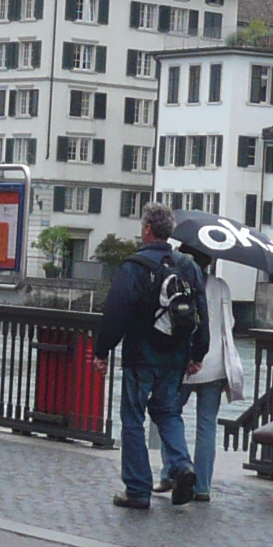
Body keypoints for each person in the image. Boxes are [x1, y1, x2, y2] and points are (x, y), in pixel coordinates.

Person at [92, 203, 208, 509]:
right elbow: (201, 314)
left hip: (140, 355)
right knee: (169, 413)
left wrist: (102, 351)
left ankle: (138, 490)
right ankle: (181, 466)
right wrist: (197, 353)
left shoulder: (136, 266)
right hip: (176, 355)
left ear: (146, 229)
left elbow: (116, 311)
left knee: (133, 419)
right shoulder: (188, 265)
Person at [176, 241, 245, 503]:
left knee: (169, 415)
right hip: (216, 366)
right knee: (207, 425)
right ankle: (203, 486)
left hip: (187, 365)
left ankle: (175, 471)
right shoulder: (221, 286)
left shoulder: (182, 285)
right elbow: (229, 325)